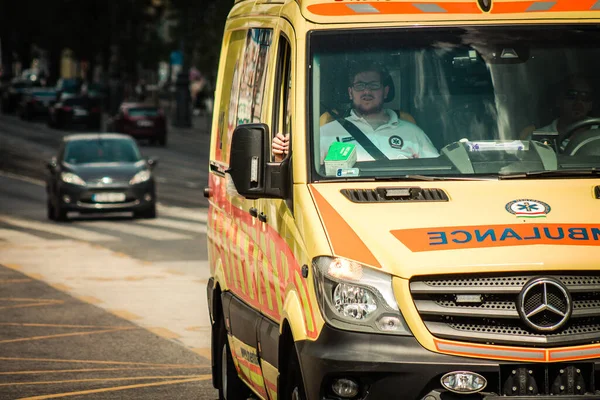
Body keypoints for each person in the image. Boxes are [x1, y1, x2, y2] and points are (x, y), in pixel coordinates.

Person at [272, 61, 439, 163]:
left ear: (385, 91)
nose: (366, 92)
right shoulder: (325, 133)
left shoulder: (413, 133)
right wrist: (281, 157)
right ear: (351, 92)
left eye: (373, 85)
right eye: (360, 86)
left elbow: (437, 174)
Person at [534, 75, 595, 150]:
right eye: (572, 95)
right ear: (558, 101)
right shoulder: (538, 139)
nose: (579, 102)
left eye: (585, 96)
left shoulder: (597, 134)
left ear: (591, 105)